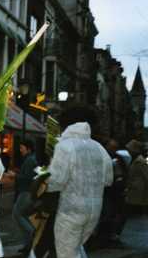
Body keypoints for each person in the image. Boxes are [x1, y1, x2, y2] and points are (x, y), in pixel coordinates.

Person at [46, 106, 113, 258]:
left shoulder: (65, 146)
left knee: (66, 252)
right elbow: (108, 180)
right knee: (77, 249)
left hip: (71, 210)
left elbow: (57, 180)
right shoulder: (99, 148)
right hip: (94, 210)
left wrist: (43, 179)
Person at [12, 139, 38, 256]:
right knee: (22, 216)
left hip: (26, 192)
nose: (20, 150)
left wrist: (15, 175)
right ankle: (28, 244)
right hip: (27, 192)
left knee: (17, 214)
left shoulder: (30, 160)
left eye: (22, 148)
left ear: (28, 149)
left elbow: (27, 178)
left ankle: (32, 234)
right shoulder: (30, 159)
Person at [125, 139, 148, 215]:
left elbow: (146, 176)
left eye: (129, 149)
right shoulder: (135, 160)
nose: (128, 151)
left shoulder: (141, 162)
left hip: (138, 191)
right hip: (134, 190)